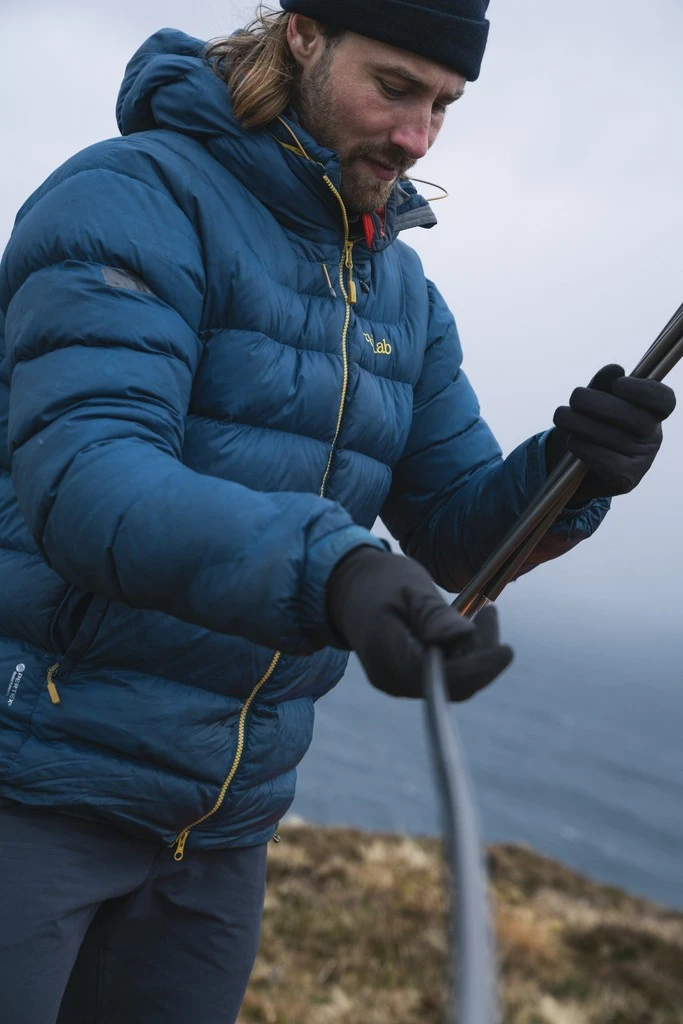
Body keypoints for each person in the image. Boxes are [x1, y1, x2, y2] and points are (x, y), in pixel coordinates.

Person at [0, 2, 675, 1022]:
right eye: (394, 88)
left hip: (220, 832)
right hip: (33, 787)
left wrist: (572, 475)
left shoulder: (399, 292)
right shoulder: (130, 198)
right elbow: (89, 483)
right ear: (304, 35)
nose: (417, 136)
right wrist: (336, 570)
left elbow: (456, 533)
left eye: (442, 104)